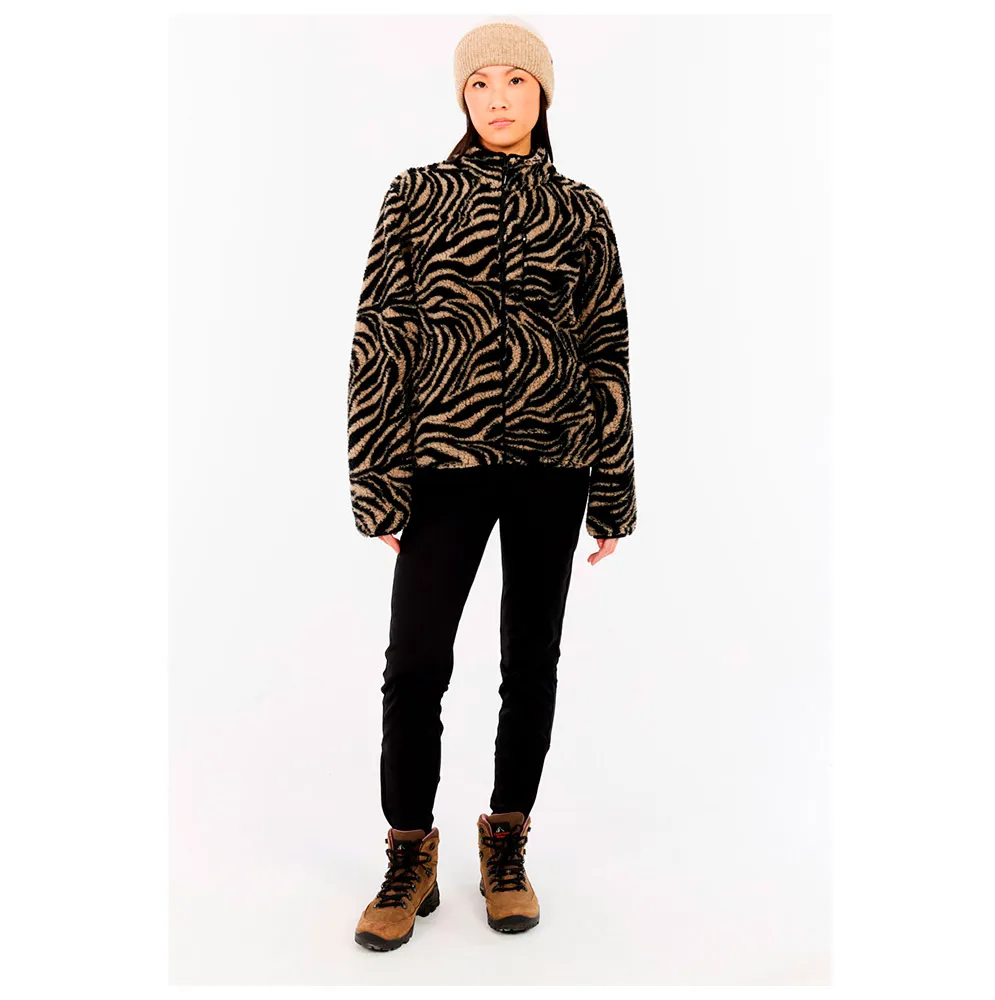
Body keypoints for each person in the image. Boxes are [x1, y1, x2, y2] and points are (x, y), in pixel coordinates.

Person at [350, 17, 637, 952]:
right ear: (463, 98)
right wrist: (378, 477)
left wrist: (614, 490)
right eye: (481, 83)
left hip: (556, 460)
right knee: (415, 661)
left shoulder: (582, 211)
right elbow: (380, 338)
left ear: (542, 94)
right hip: (446, 461)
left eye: (517, 80)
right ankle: (409, 853)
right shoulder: (416, 196)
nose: (499, 97)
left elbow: (607, 351)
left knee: (531, 659)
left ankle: (506, 842)